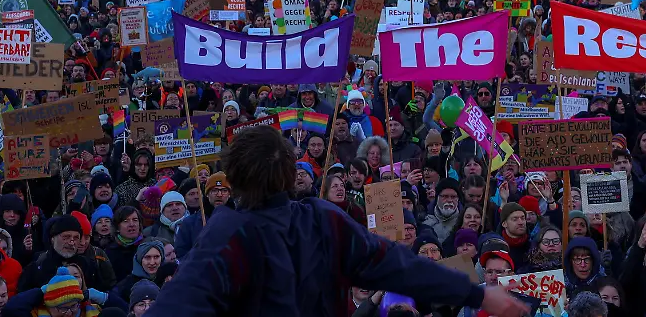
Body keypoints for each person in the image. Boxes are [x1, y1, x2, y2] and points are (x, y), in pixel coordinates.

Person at [146, 125, 528, 316]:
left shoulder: (224, 234)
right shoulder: (323, 219)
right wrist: (478, 294)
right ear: (286, 172)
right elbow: (399, 264)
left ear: (233, 177)